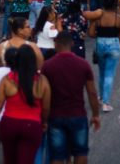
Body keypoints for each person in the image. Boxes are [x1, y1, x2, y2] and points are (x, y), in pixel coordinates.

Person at [0, 45, 51, 164]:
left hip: (10, 123)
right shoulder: (42, 81)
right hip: (32, 125)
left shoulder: (8, 79)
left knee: (9, 159)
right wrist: (44, 122)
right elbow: (46, 108)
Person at [42, 31, 101, 163]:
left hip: (56, 116)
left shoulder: (47, 66)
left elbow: (43, 94)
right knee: (81, 153)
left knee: (57, 156)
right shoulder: (83, 64)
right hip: (78, 115)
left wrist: (44, 119)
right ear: (72, 43)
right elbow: (92, 92)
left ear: (55, 43)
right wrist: (96, 114)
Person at [84, 0, 120, 112]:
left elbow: (91, 33)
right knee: (109, 74)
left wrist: (100, 35)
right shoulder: (119, 19)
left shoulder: (98, 18)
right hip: (114, 45)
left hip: (100, 44)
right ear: (115, 5)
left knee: (102, 73)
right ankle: (106, 103)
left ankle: (101, 97)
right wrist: (117, 44)